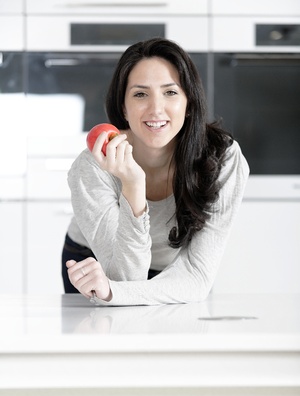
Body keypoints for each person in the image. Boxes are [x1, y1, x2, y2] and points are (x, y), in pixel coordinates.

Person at [62, 37, 249, 306]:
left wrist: (117, 292)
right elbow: (124, 277)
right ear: (123, 108)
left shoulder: (223, 158)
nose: (156, 109)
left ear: (188, 104)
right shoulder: (94, 164)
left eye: (170, 92)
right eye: (140, 94)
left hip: (175, 269)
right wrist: (133, 185)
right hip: (94, 264)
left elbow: (195, 277)